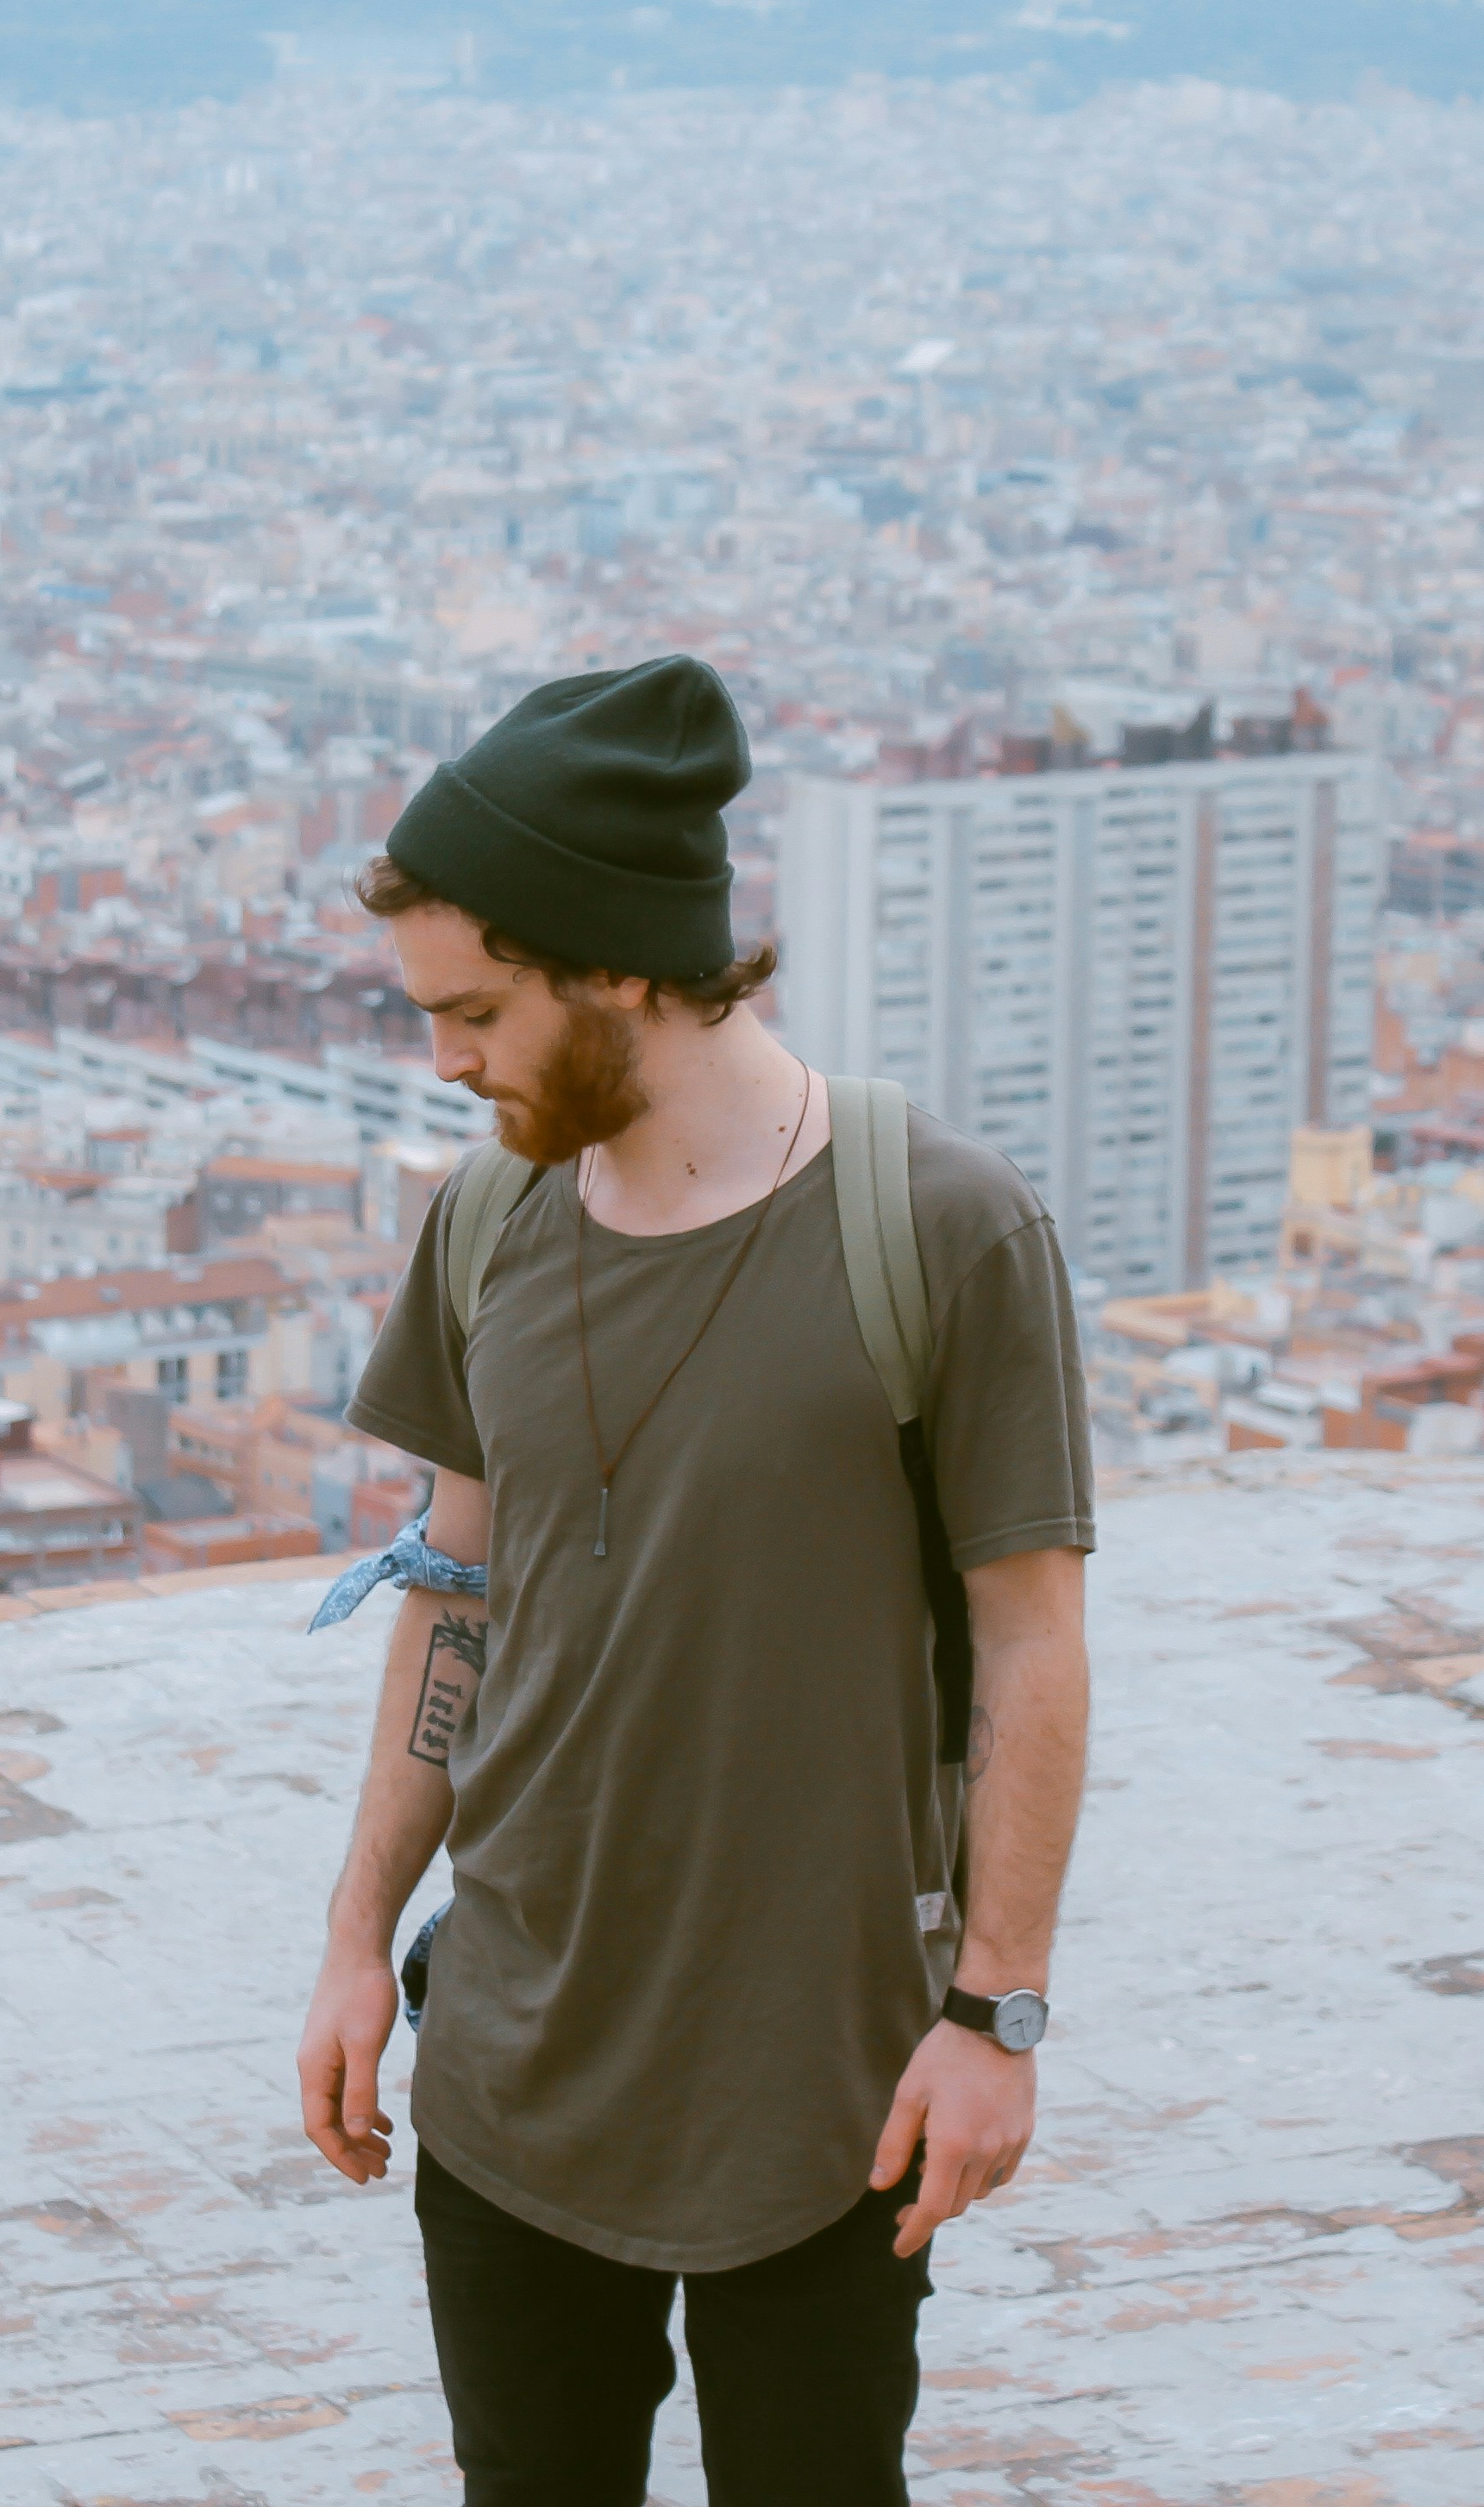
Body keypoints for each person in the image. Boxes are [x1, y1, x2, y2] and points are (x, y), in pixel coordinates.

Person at [293, 653, 1096, 2506]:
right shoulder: (488, 1219)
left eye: (478, 1007)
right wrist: (355, 1939)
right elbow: (450, 1594)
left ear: (620, 963)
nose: (447, 1058)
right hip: (508, 2070)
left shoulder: (942, 1232)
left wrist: (1000, 2018)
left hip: (825, 2091)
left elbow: (1035, 1653)